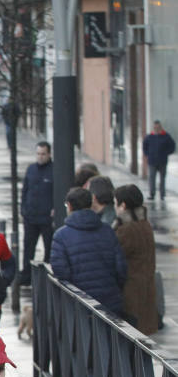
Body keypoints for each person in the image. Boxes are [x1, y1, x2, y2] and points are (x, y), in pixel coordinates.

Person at [50, 187, 127, 315]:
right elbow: (121, 268)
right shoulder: (107, 231)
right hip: (110, 301)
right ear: (91, 204)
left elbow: (61, 272)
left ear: (69, 206)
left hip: (80, 305)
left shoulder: (61, 236)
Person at [113, 184, 158, 334]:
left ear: (123, 205)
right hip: (146, 291)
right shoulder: (144, 224)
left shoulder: (127, 230)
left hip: (131, 295)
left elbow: (113, 255)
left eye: (115, 203)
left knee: (133, 341)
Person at [19, 141, 54, 285]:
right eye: (38, 154)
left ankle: (47, 277)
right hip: (31, 216)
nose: (40, 157)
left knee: (49, 248)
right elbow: (25, 190)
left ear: (49, 154)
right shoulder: (31, 169)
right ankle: (27, 276)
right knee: (28, 248)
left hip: (47, 218)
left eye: (43, 154)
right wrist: (23, 209)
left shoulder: (54, 170)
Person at [143, 119, 175, 200]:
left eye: (158, 127)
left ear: (160, 127)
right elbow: (145, 146)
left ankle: (162, 194)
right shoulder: (149, 137)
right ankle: (152, 194)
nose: (156, 128)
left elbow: (172, 146)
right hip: (152, 161)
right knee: (152, 178)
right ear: (153, 127)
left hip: (162, 161)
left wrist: (166, 153)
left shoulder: (166, 136)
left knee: (162, 178)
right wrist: (147, 154)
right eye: (155, 127)